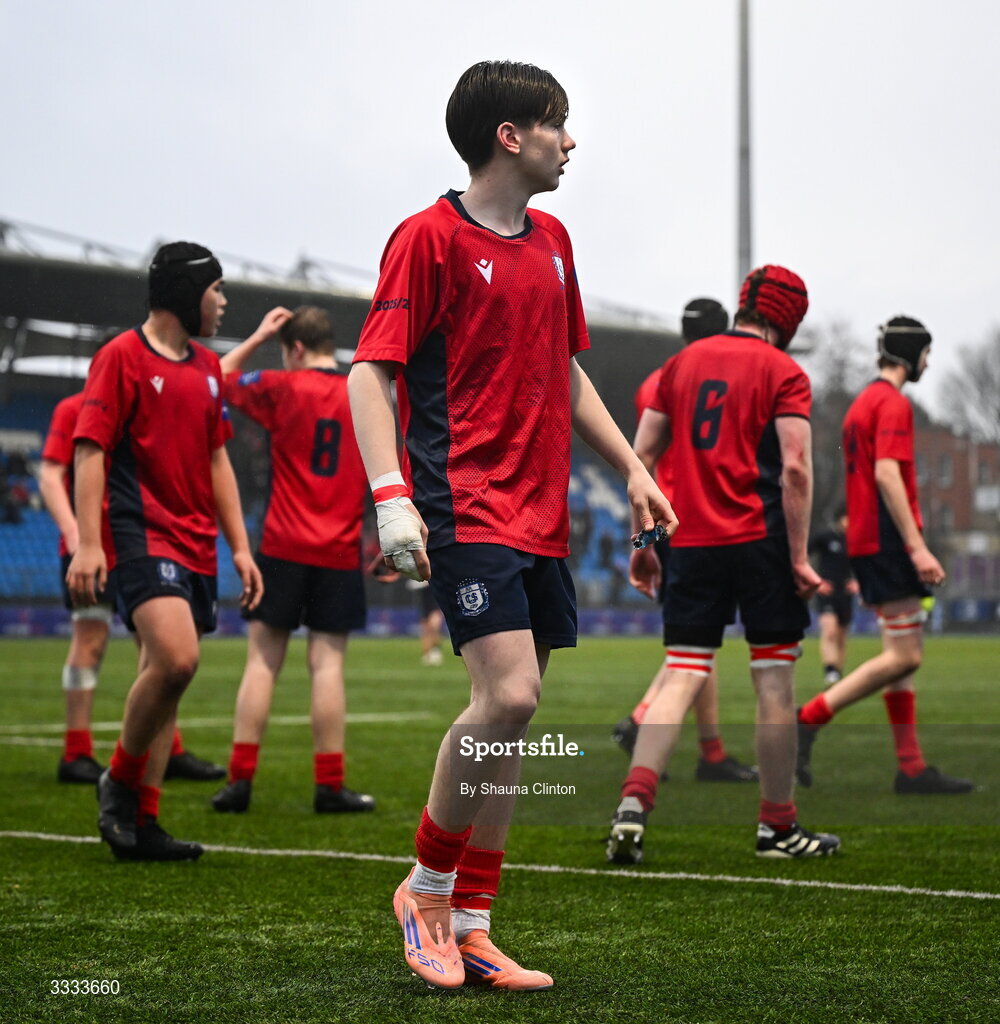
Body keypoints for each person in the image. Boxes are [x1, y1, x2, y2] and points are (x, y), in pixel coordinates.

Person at [348, 60, 675, 992]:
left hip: (542, 512)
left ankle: (477, 922)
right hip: (464, 499)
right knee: (511, 698)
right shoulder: (427, 238)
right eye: (556, 125)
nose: (569, 141)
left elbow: (566, 371)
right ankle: (424, 889)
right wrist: (390, 493)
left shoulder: (556, 240)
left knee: (512, 728)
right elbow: (370, 371)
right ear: (510, 136)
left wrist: (634, 470)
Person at [607, 265, 841, 864]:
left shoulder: (679, 366)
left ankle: (632, 807)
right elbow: (795, 468)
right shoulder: (784, 371)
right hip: (760, 542)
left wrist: (645, 545)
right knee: (773, 680)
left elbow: (642, 459)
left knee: (682, 671)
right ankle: (777, 828)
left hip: (690, 541)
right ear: (788, 321)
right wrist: (796, 557)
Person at [67, 241, 264, 861]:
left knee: (169, 683)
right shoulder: (121, 357)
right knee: (177, 660)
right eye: (216, 290)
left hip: (195, 539)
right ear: (187, 294)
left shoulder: (209, 367)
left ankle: (143, 822)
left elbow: (216, 459)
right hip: (139, 532)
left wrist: (240, 548)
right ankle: (119, 781)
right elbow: (90, 449)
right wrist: (90, 544)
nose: (224, 302)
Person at [796, 318, 973, 794]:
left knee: (902, 656)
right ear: (911, 354)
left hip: (870, 540)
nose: (928, 363)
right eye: (926, 353)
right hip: (889, 540)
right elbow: (888, 475)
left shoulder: (862, 403)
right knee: (905, 655)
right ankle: (808, 719)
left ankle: (911, 767)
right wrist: (917, 547)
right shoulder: (892, 402)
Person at [211, 305, 375, 815]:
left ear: (295, 348)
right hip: (339, 549)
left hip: (282, 545)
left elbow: (216, 380)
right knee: (327, 666)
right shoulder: (361, 395)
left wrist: (259, 333)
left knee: (262, 662)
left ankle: (239, 782)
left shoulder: (282, 387)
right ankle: (329, 786)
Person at [40, 389, 224, 785]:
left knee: (161, 651)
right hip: (91, 547)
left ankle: (167, 750)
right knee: (90, 640)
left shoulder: (147, 408)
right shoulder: (74, 408)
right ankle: (75, 752)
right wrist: (75, 534)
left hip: (142, 545)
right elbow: (50, 474)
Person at [613, 297, 757, 784]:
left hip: (664, 516)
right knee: (695, 645)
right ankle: (650, 724)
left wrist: (640, 531)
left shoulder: (660, 378)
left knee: (695, 643)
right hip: (699, 519)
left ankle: (703, 749)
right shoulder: (723, 376)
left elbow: (643, 454)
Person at [808, 506, 859, 687]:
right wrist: (816, 581)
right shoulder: (826, 537)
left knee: (841, 635)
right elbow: (803, 554)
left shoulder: (855, 540)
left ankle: (837, 670)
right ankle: (830, 669)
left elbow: (865, 563)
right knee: (829, 630)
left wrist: (857, 582)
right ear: (840, 519)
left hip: (845, 594)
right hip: (827, 592)